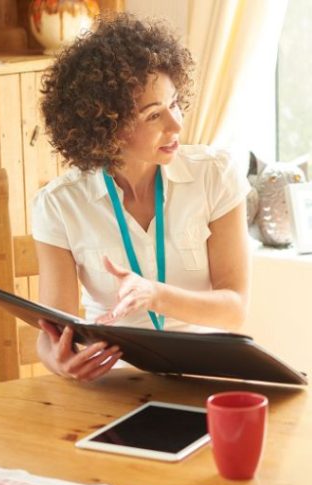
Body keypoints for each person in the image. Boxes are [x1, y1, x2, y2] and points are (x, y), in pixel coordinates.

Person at [32, 14, 251, 382]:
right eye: (154, 115)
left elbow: (235, 309)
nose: (177, 124)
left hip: (208, 376)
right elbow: (52, 331)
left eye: (175, 103)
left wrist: (155, 295)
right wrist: (58, 361)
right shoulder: (59, 204)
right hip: (113, 381)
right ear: (107, 126)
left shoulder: (215, 175)